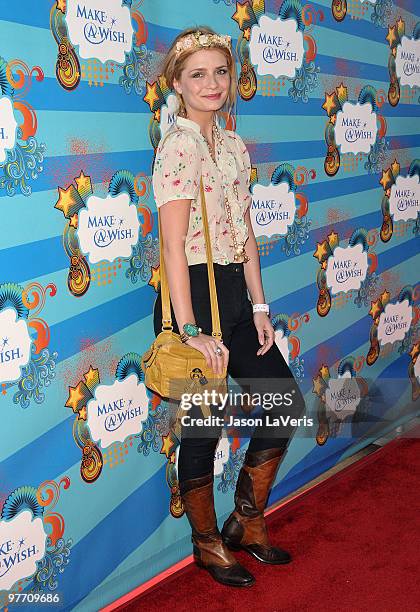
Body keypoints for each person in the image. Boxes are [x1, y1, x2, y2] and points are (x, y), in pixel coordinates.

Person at [152, 26, 306, 587]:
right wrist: (189, 328)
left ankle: (246, 522)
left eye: (221, 71)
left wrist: (260, 305)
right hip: (192, 297)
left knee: (283, 403)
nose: (212, 83)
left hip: (237, 298)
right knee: (203, 426)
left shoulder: (233, 144)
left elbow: (244, 235)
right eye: (198, 74)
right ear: (177, 82)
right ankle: (206, 542)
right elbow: (172, 244)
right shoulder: (178, 144)